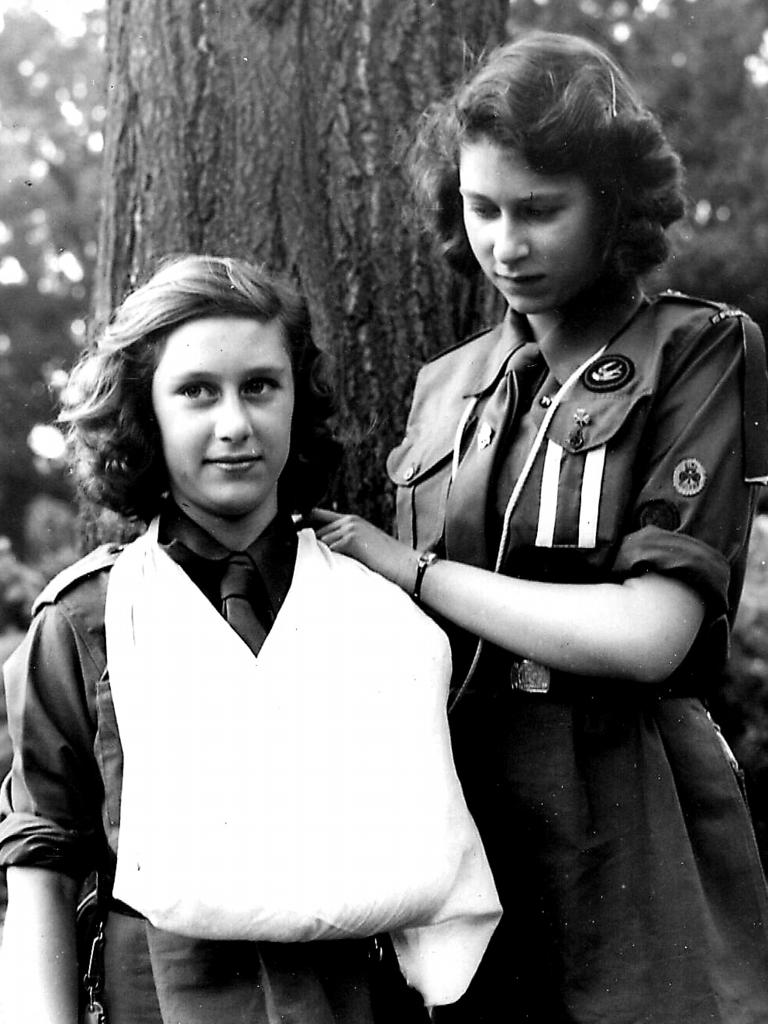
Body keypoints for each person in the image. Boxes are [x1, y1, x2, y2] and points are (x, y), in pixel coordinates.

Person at [313, 30, 768, 1024]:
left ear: (613, 206)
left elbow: (654, 636)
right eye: (482, 209)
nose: (505, 245)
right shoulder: (444, 388)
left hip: (622, 798)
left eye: (540, 211)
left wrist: (410, 567)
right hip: (460, 801)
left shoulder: (697, 352)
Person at [0, 254, 501, 1024]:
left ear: (297, 401)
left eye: (260, 387)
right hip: (161, 1002)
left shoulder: (378, 615)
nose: (234, 423)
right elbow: (42, 869)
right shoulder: (85, 623)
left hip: (351, 1000)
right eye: (197, 391)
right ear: (146, 412)